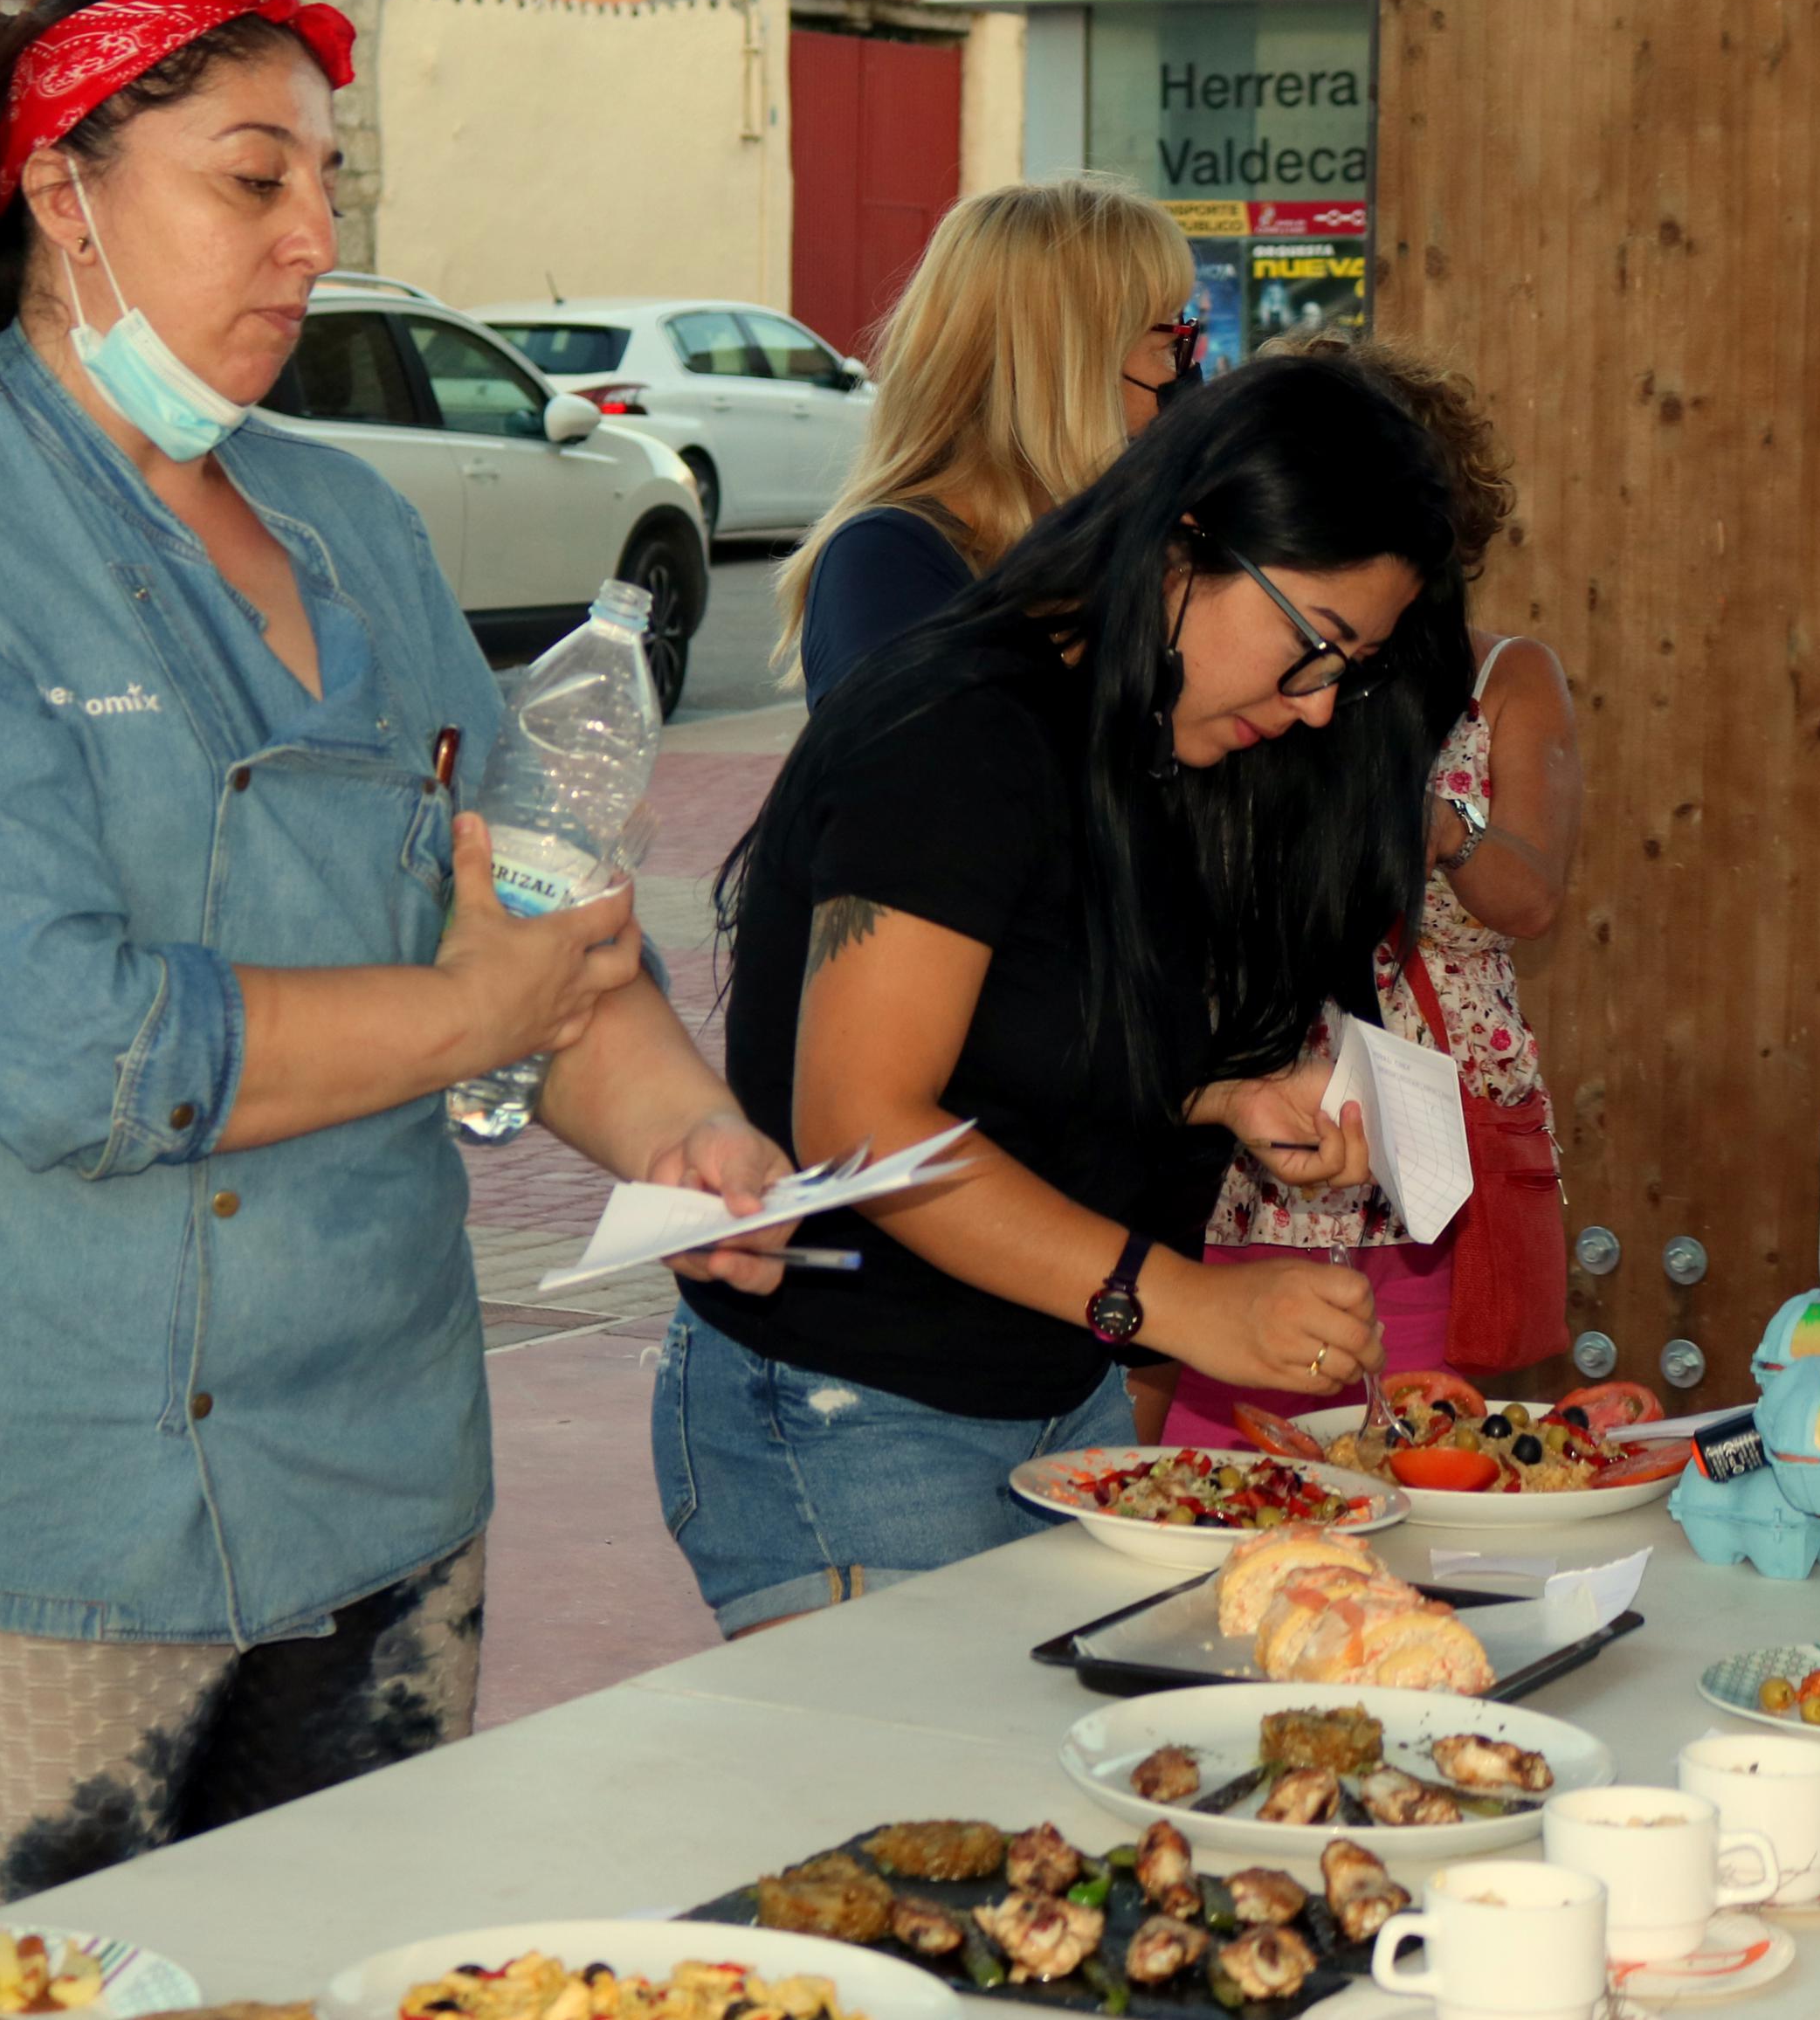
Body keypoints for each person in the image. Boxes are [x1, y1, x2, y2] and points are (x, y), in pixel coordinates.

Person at [0, 0, 795, 1920]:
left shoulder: (362, 528)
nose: (314, 236)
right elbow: (79, 1055)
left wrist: (690, 1134)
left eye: (331, 183)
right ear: (63, 191)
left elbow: (544, 918)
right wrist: (463, 1008)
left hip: (381, 1488)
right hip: (37, 1515)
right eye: (254, 180)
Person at [661, 355, 1473, 1637]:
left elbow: (1030, 1022)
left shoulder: (1146, 734)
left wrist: (1224, 1090)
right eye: (1311, 645)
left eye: (1351, 670)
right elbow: (859, 1118)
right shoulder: (959, 727)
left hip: (1048, 1388)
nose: (1319, 705)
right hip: (857, 1404)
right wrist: (1186, 1301)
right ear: (1184, 543)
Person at [1164, 336, 1582, 1446]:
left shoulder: (1507, 675)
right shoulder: (1247, 668)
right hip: (1265, 1085)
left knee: (1431, 1432)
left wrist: (1439, 826)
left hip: (1428, 1122)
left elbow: (1532, 897)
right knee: (1231, 1424)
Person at [776, 175, 1198, 704]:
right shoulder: (888, 560)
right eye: (1169, 341)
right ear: (1071, 363)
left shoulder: (1103, 540)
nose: (1181, 376)